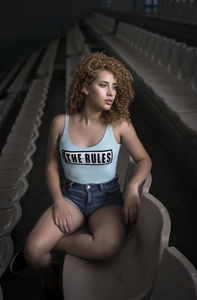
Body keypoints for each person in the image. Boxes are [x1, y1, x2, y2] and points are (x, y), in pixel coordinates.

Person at [10, 52, 152, 297]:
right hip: (72, 196)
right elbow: (51, 167)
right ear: (86, 88)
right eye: (103, 85)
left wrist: (131, 189)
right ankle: (52, 281)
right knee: (34, 253)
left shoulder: (119, 124)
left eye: (114, 87)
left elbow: (144, 160)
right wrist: (58, 202)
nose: (111, 92)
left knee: (107, 247)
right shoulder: (60, 123)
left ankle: (51, 243)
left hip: (106, 198)